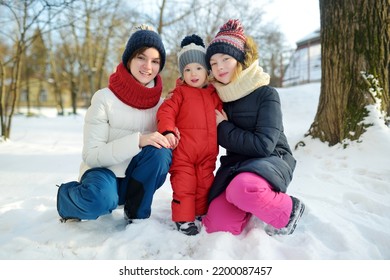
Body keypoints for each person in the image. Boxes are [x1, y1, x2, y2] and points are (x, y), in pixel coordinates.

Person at [56, 24, 173, 224]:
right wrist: (138, 141)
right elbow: (92, 155)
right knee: (99, 201)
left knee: (161, 151)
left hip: (135, 179)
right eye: (141, 58)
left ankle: (137, 214)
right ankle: (67, 198)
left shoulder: (162, 105)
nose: (148, 67)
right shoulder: (104, 98)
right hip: (103, 173)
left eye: (155, 61)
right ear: (129, 59)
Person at [202, 19, 305, 236]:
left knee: (243, 188)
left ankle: (289, 209)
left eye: (225, 59)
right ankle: (250, 201)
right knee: (216, 225)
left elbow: (264, 145)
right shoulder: (220, 97)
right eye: (213, 62)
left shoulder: (266, 94)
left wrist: (223, 127)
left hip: (272, 158)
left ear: (239, 59)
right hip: (236, 167)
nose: (219, 67)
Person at [157, 34, 222, 235]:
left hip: (207, 154)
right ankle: (183, 218)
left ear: (207, 71)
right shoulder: (179, 94)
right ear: (182, 73)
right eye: (187, 69)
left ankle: (200, 212)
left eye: (198, 68)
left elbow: (222, 114)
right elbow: (165, 112)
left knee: (205, 184)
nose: (193, 73)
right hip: (183, 153)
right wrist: (167, 131)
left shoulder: (214, 94)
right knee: (185, 186)